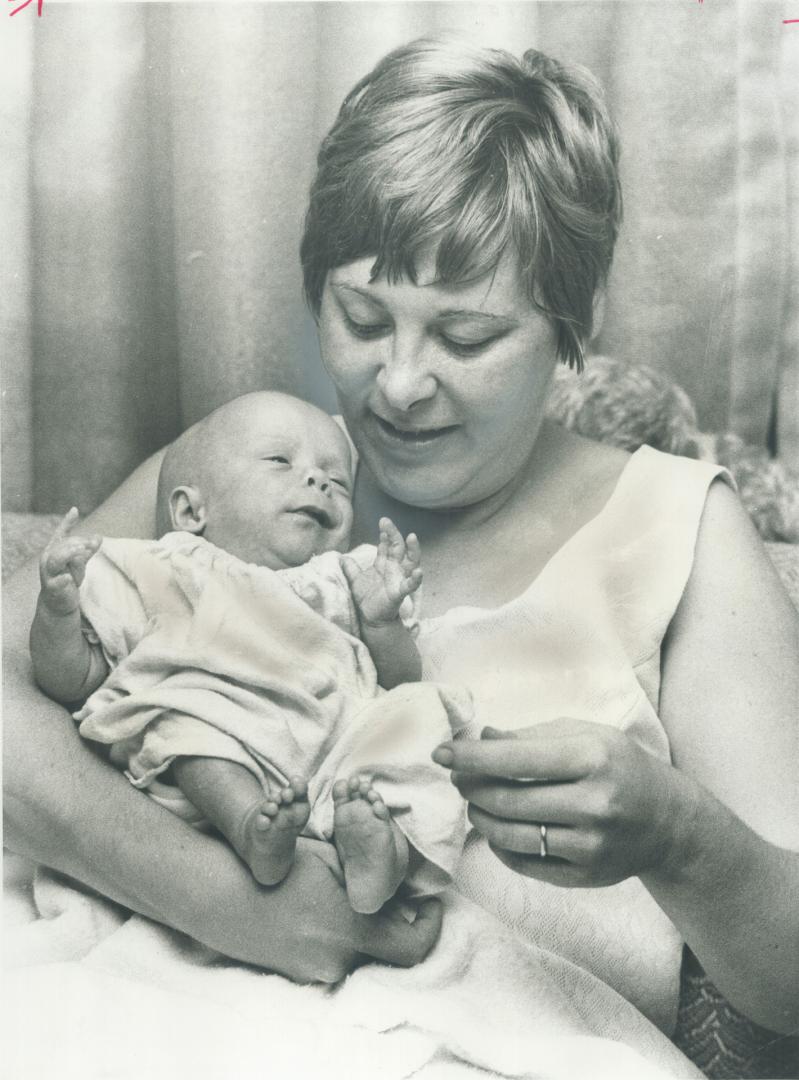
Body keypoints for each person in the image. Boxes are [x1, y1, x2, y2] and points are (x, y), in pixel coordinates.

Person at [4, 34, 798, 1045]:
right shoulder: (253, 471)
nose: (398, 385)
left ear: (573, 323)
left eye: (467, 339)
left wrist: (680, 838)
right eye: (362, 317)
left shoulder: (682, 529)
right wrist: (232, 902)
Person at [29, 392, 469, 913]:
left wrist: (381, 619)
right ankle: (249, 827)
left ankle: (380, 851)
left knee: (421, 713)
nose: (319, 480)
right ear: (192, 511)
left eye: (338, 480)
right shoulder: (161, 566)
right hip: (220, 728)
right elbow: (73, 679)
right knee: (186, 726)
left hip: (333, 743)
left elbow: (400, 680)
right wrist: (57, 609)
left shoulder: (346, 578)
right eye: (280, 462)